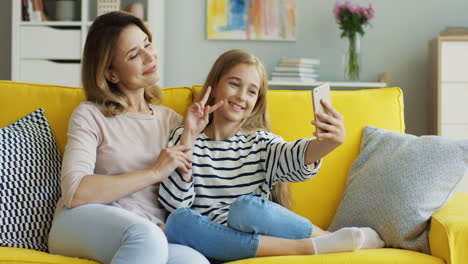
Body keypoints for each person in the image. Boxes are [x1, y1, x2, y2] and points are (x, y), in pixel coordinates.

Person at [158, 49, 385, 262]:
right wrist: (189, 135)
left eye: (251, 91)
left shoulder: (260, 142)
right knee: (178, 222)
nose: (241, 96)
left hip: (255, 233)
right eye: (234, 84)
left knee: (245, 208)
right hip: (213, 241)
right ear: (215, 85)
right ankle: (312, 245)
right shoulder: (184, 136)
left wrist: (327, 143)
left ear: (257, 101)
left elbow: (293, 156)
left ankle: (325, 237)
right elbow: (176, 203)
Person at [47, 11, 209, 264]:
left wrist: (190, 134)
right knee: (147, 237)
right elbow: (75, 192)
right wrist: (154, 172)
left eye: (147, 44)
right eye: (134, 54)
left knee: (194, 260)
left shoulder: (172, 120)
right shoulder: (91, 115)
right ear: (111, 74)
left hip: (150, 231)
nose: (149, 56)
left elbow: (183, 195)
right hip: (81, 221)